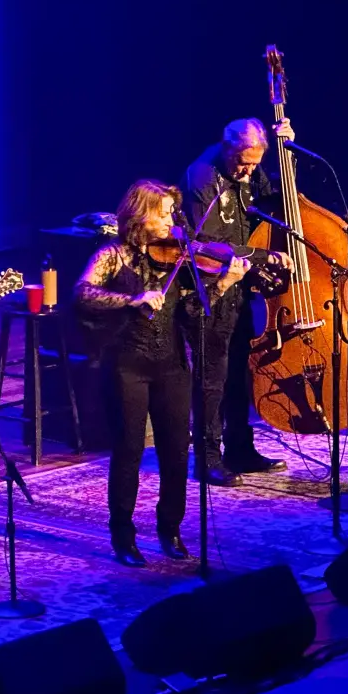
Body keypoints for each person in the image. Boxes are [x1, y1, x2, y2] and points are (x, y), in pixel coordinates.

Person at [75, 179, 247, 565]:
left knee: (175, 452)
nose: (173, 220)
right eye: (165, 212)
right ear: (142, 215)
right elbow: (82, 294)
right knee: (130, 451)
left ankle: (170, 529)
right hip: (126, 367)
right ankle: (123, 536)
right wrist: (131, 300)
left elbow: (190, 312)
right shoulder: (112, 254)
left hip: (172, 365)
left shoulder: (176, 256)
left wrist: (224, 282)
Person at [180, 117, 295, 487]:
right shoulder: (202, 176)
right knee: (212, 377)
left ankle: (240, 449)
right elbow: (206, 242)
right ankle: (208, 458)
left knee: (238, 373)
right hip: (210, 287)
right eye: (243, 162)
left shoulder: (251, 171)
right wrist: (260, 256)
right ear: (228, 148)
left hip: (241, 285)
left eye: (255, 163)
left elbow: (280, 200)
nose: (248, 170)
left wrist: (286, 153)